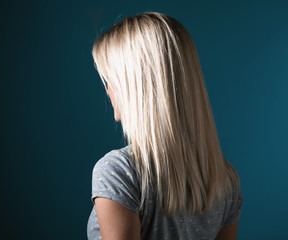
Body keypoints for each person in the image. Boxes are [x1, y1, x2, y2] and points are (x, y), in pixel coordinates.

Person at [87, 11, 243, 240]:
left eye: (111, 80)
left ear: (135, 87)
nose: (108, 90)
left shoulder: (118, 171)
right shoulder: (227, 180)